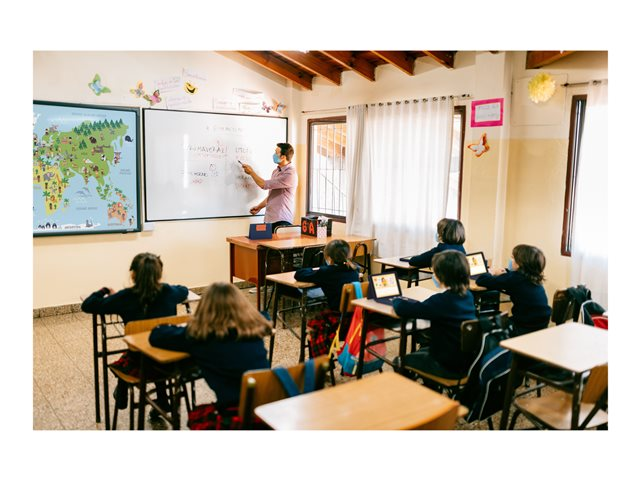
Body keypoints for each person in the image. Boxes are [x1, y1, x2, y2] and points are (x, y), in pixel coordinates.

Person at [81, 252, 188, 411]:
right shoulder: (169, 292)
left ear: (133, 274)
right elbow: (184, 290)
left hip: (140, 361)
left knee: (136, 351)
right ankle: (162, 400)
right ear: (159, 274)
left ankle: (122, 390)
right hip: (170, 358)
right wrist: (166, 286)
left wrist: (105, 290)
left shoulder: (125, 297)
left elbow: (88, 305)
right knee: (155, 344)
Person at [149, 282, 271, 413]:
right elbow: (264, 315)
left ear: (204, 308)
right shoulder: (253, 326)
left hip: (235, 412)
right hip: (267, 408)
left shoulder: (201, 335)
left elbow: (156, 336)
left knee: (196, 415)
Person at [392, 250, 476, 378]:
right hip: (466, 362)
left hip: (446, 366)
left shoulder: (441, 301)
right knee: (424, 342)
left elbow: (404, 309)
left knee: (398, 361)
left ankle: (424, 387)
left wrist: (396, 300)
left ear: (442, 276)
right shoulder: (468, 296)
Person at [293, 239, 360, 355]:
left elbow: (299, 274)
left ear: (328, 257)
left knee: (313, 326)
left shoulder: (325, 272)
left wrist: (314, 269)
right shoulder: (354, 269)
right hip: (355, 319)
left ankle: (321, 362)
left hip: (338, 323)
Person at [475, 244, 551, 337]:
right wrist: (507, 273)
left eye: (513, 258)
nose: (511, 260)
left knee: (483, 323)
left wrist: (492, 272)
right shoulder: (534, 278)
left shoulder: (514, 278)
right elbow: (515, 282)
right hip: (540, 325)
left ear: (520, 263)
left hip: (523, 328)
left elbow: (481, 280)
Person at [241, 142, 298, 229]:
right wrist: (259, 207)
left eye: (276, 152)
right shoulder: (276, 171)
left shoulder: (290, 174)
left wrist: (251, 172)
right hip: (269, 219)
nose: (274, 155)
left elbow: (263, 185)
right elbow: (273, 195)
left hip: (281, 220)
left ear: (283, 157)